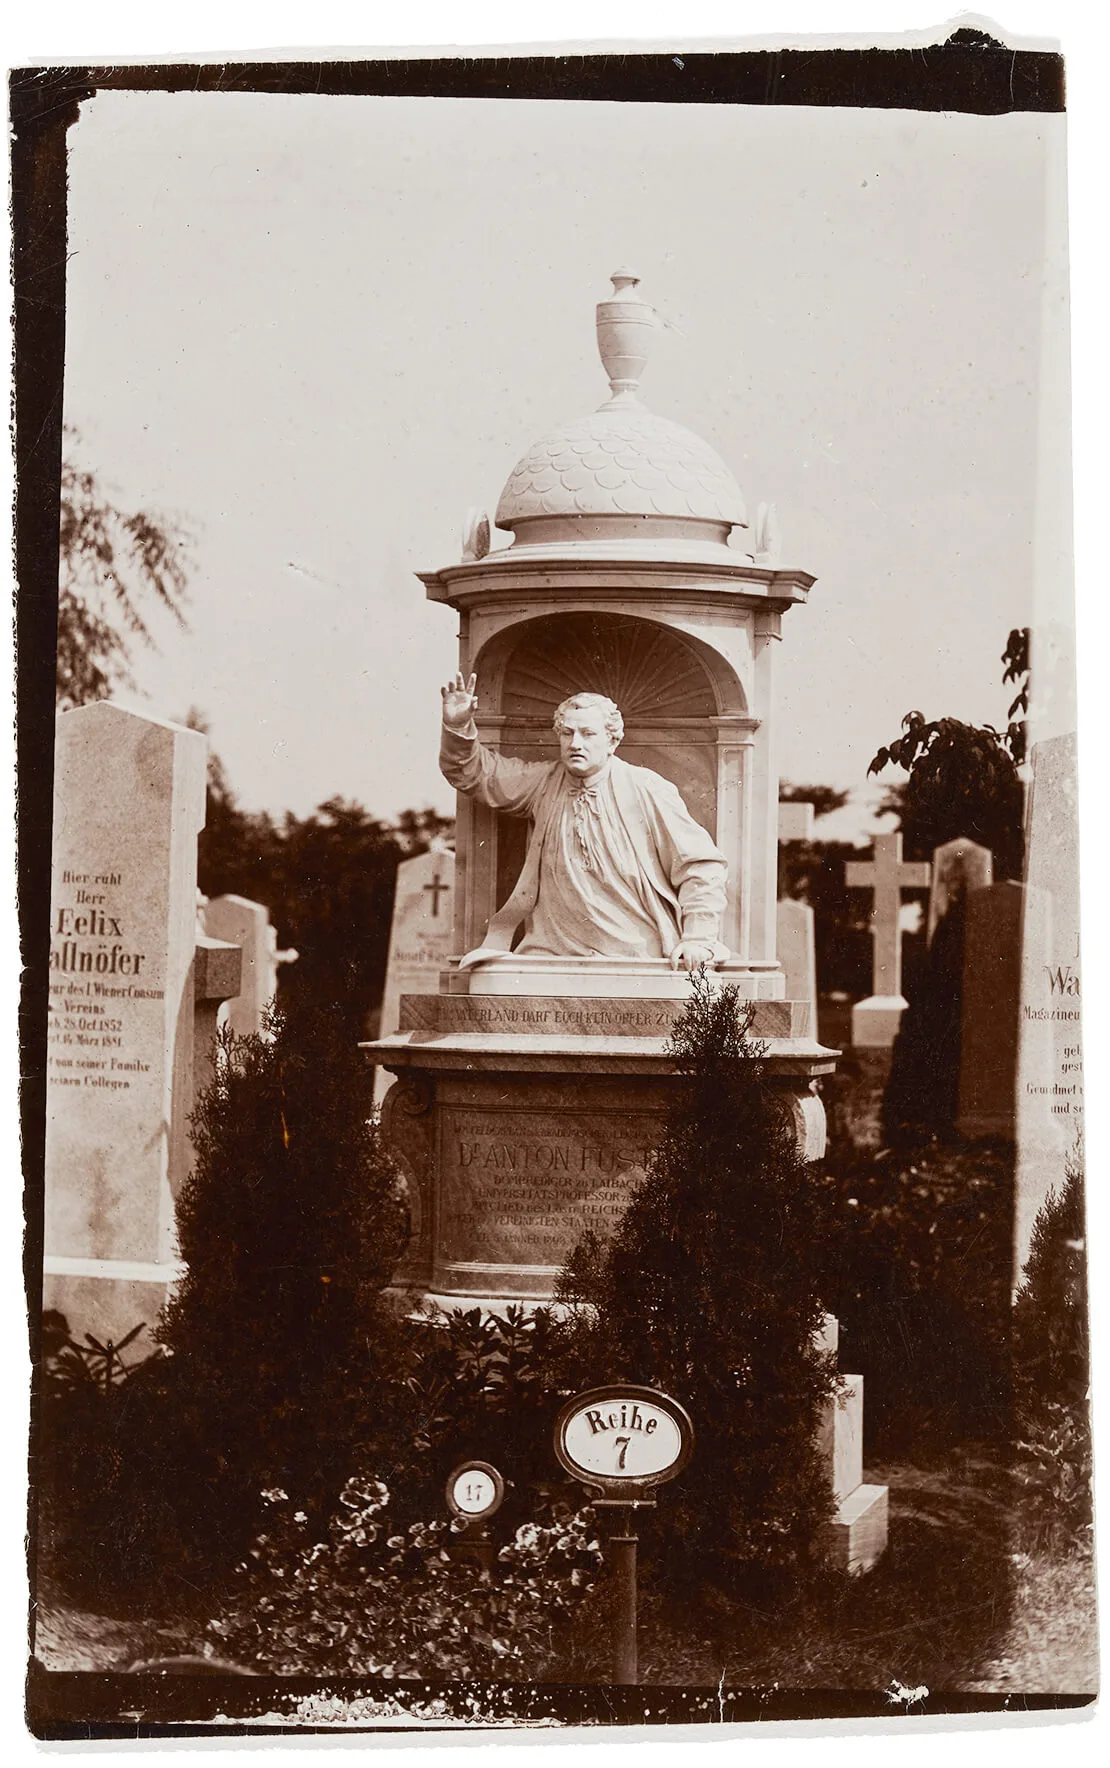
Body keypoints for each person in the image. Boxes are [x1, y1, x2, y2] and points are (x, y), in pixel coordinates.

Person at [439, 672, 728, 970]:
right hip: (550, 951)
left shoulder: (645, 788)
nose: (575, 743)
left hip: (634, 951)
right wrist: (458, 725)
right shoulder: (543, 782)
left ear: (612, 740)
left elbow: (700, 864)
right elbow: (476, 774)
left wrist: (698, 937)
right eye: (567, 733)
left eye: (588, 734)